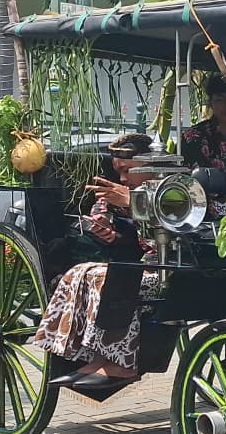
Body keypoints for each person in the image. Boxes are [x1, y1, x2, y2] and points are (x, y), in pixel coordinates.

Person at [35, 134, 162, 390]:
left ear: (148, 165)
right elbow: (101, 216)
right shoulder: (115, 193)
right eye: (118, 171)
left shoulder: (168, 189)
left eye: (127, 170)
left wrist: (131, 202)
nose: (123, 178)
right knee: (81, 272)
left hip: (167, 268)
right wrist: (109, 231)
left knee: (106, 277)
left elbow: (171, 230)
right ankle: (92, 357)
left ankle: (120, 362)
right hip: (141, 262)